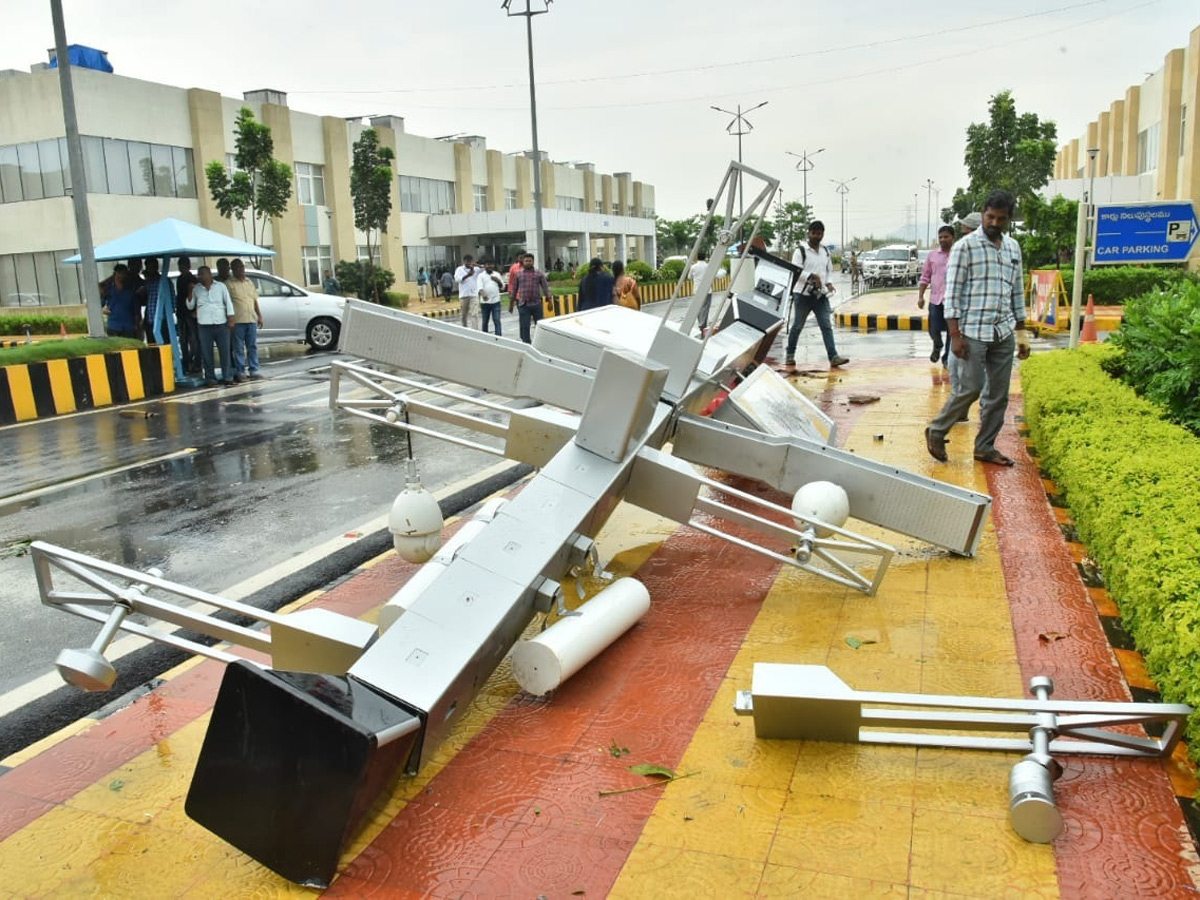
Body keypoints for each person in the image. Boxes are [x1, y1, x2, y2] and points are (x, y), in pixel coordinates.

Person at [925, 190, 1031, 468]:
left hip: (1003, 332)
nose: (994, 222)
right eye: (990, 216)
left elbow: (1016, 291)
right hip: (972, 332)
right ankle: (937, 430)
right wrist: (955, 336)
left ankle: (985, 446)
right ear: (983, 214)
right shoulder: (965, 247)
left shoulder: (1012, 248)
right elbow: (953, 293)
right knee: (971, 388)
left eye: (1001, 218)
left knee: (998, 396)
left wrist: (1021, 333)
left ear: (1008, 219)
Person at [785, 221, 849, 368]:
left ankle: (833, 357)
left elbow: (828, 271)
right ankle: (790, 355)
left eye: (819, 233)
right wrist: (812, 276)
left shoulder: (825, 251)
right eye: (814, 232)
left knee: (826, 326)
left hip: (820, 296)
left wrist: (829, 283)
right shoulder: (800, 251)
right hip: (802, 295)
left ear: (822, 234)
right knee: (797, 326)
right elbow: (797, 271)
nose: (816, 235)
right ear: (808, 233)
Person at [190, 265, 236, 387]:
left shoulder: (220, 286)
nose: (200, 277)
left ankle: (228, 376)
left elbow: (228, 302)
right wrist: (190, 292)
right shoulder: (197, 289)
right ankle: (211, 378)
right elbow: (190, 306)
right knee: (207, 352)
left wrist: (231, 319)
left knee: (225, 351)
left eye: (202, 274)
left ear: (209, 274)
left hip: (221, 323)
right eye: (199, 274)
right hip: (204, 325)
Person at [918, 225, 955, 365]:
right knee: (933, 328)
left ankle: (947, 358)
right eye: (940, 237)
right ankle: (937, 345)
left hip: (952, 301)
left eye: (946, 237)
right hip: (935, 300)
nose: (943, 239)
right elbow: (925, 276)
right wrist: (921, 296)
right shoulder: (932, 256)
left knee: (952, 330)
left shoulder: (958, 254)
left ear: (953, 237)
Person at [227, 258, 264, 382]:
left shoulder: (249, 282)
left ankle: (254, 370)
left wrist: (259, 315)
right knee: (238, 348)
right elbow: (226, 303)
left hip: (251, 318)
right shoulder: (229, 284)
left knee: (252, 345)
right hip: (237, 320)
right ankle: (240, 371)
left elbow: (254, 300)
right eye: (237, 268)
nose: (240, 270)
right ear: (232, 269)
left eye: (242, 267)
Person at [510, 252, 551, 343]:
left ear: (533, 262)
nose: (528, 262)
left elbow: (545, 288)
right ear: (523, 262)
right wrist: (511, 305)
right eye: (526, 261)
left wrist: (550, 301)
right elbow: (514, 290)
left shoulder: (539, 273)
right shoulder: (518, 274)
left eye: (530, 261)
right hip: (523, 304)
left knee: (540, 325)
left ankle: (540, 342)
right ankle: (526, 344)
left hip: (536, 304)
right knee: (525, 326)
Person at [175, 256, 201, 375]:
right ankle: (187, 362)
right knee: (184, 340)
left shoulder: (192, 279)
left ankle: (193, 362)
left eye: (184, 266)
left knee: (193, 339)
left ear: (189, 266)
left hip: (190, 313)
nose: (182, 268)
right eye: (181, 266)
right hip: (181, 312)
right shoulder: (180, 278)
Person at [100, 264, 140, 338]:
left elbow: (136, 310)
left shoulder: (131, 290)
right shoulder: (108, 289)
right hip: (113, 326)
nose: (121, 276)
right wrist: (103, 310)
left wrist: (136, 325)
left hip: (128, 327)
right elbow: (99, 305)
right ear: (115, 273)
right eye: (119, 273)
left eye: (123, 273)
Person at [454, 255, 484, 329]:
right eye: (467, 261)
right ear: (464, 262)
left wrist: (477, 265)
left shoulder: (476, 269)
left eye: (470, 261)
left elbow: (485, 268)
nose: (468, 263)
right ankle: (465, 329)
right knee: (463, 315)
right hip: (464, 295)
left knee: (474, 314)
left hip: (474, 295)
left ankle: (475, 332)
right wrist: (468, 275)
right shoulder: (459, 269)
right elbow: (457, 279)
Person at [138, 258, 163, 344]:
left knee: (163, 344)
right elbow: (145, 302)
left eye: (152, 267)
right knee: (151, 345)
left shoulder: (163, 281)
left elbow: (172, 303)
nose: (149, 269)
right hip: (149, 320)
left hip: (161, 320)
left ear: (156, 267)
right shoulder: (147, 283)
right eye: (148, 267)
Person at [479, 260, 504, 335]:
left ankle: (498, 338)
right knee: (485, 321)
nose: (489, 266)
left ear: (493, 265)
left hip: (496, 301)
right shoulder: (481, 276)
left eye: (491, 265)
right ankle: (485, 338)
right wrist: (483, 294)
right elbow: (479, 287)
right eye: (487, 264)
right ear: (485, 266)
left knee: (497, 320)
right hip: (485, 303)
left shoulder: (497, 274)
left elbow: (502, 287)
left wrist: (498, 281)